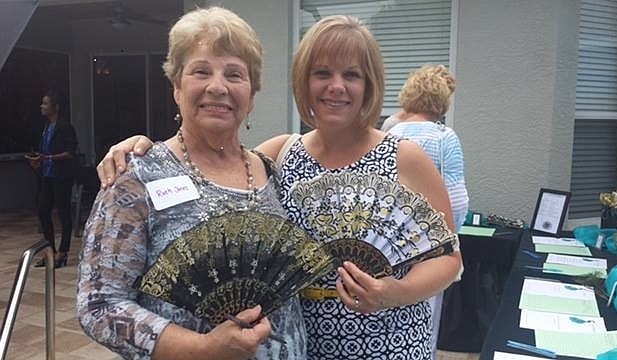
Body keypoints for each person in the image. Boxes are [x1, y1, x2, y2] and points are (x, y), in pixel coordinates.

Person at [95, 14, 462, 360]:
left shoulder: (404, 157)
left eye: (352, 75)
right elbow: (205, 166)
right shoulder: (279, 156)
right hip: (303, 346)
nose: (336, 86)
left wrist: (394, 293)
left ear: (369, 85)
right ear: (304, 81)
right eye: (322, 73)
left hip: (387, 344)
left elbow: (448, 257)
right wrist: (141, 148)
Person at [76, 7, 306, 360]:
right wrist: (203, 348)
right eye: (201, 71)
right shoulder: (135, 177)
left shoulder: (268, 171)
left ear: (252, 94)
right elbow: (100, 305)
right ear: (177, 87)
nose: (218, 87)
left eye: (235, 74)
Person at [385, 64, 470, 352]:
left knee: (390, 314)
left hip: (387, 246)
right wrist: (452, 237)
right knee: (425, 320)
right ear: (443, 100)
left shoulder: (388, 132)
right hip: (428, 247)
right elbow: (457, 201)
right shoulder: (444, 138)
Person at [25, 91, 78, 268]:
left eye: (45, 104)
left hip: (62, 176)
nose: (42, 106)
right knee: (42, 211)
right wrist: (37, 162)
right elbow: (45, 151)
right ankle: (50, 251)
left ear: (55, 107)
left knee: (63, 213)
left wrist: (46, 159)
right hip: (47, 175)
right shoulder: (46, 127)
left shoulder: (64, 127)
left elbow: (70, 153)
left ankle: (63, 252)